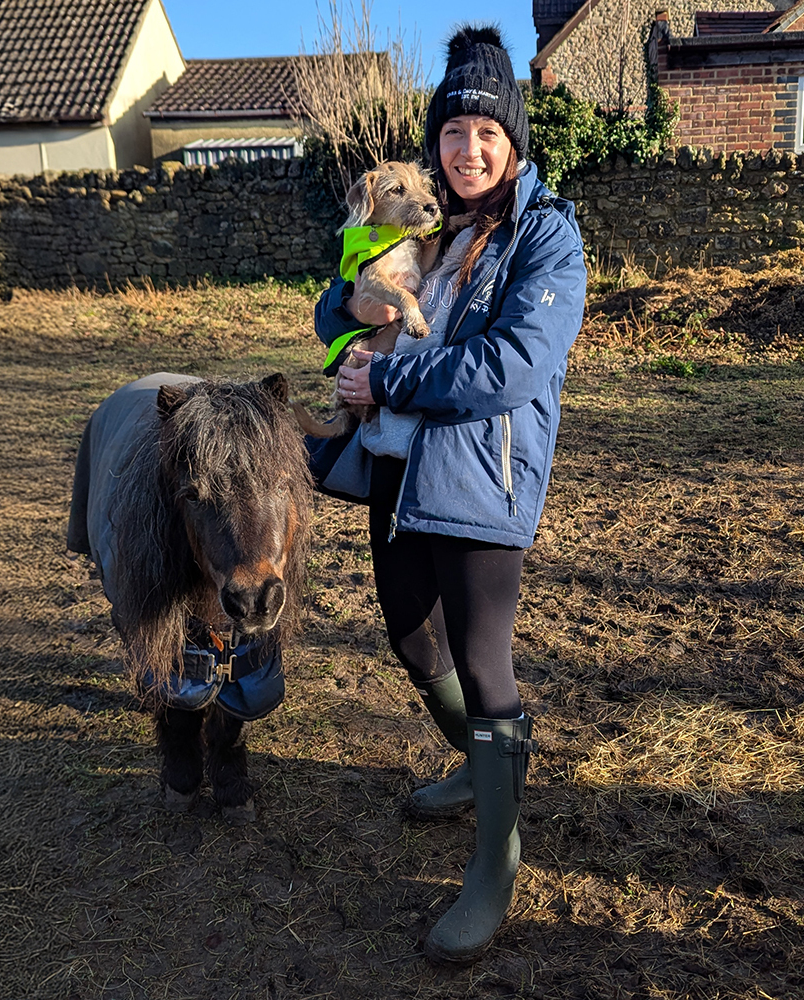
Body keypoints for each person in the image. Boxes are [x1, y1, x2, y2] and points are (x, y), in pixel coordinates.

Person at [310, 24, 587, 963]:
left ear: (513, 144)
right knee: (406, 631)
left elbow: (514, 364)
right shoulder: (428, 220)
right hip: (397, 466)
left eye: (486, 135)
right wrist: (345, 314)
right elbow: (337, 296)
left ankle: (493, 863)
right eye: (453, 132)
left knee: (480, 655)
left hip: (482, 472)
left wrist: (384, 381)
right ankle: (477, 767)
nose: (467, 151)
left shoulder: (546, 235)